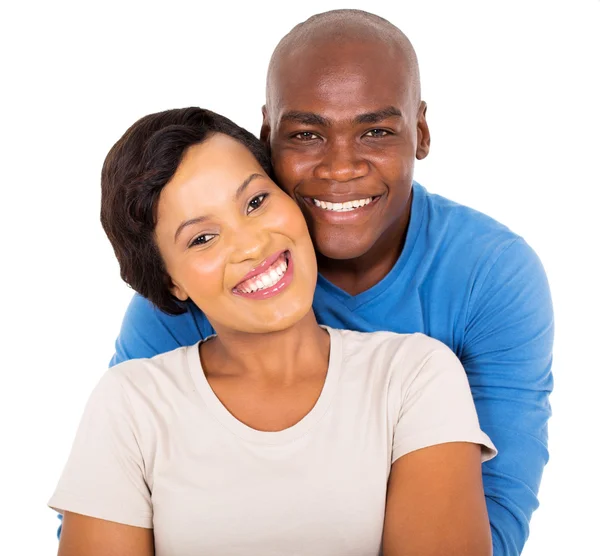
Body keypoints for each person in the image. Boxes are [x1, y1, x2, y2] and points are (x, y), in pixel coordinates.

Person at [69, 9, 553, 555]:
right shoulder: (159, 343)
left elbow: (495, 513)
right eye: (306, 134)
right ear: (268, 137)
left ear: (419, 131)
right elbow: (108, 494)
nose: (341, 168)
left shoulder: (481, 288)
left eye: (375, 130)